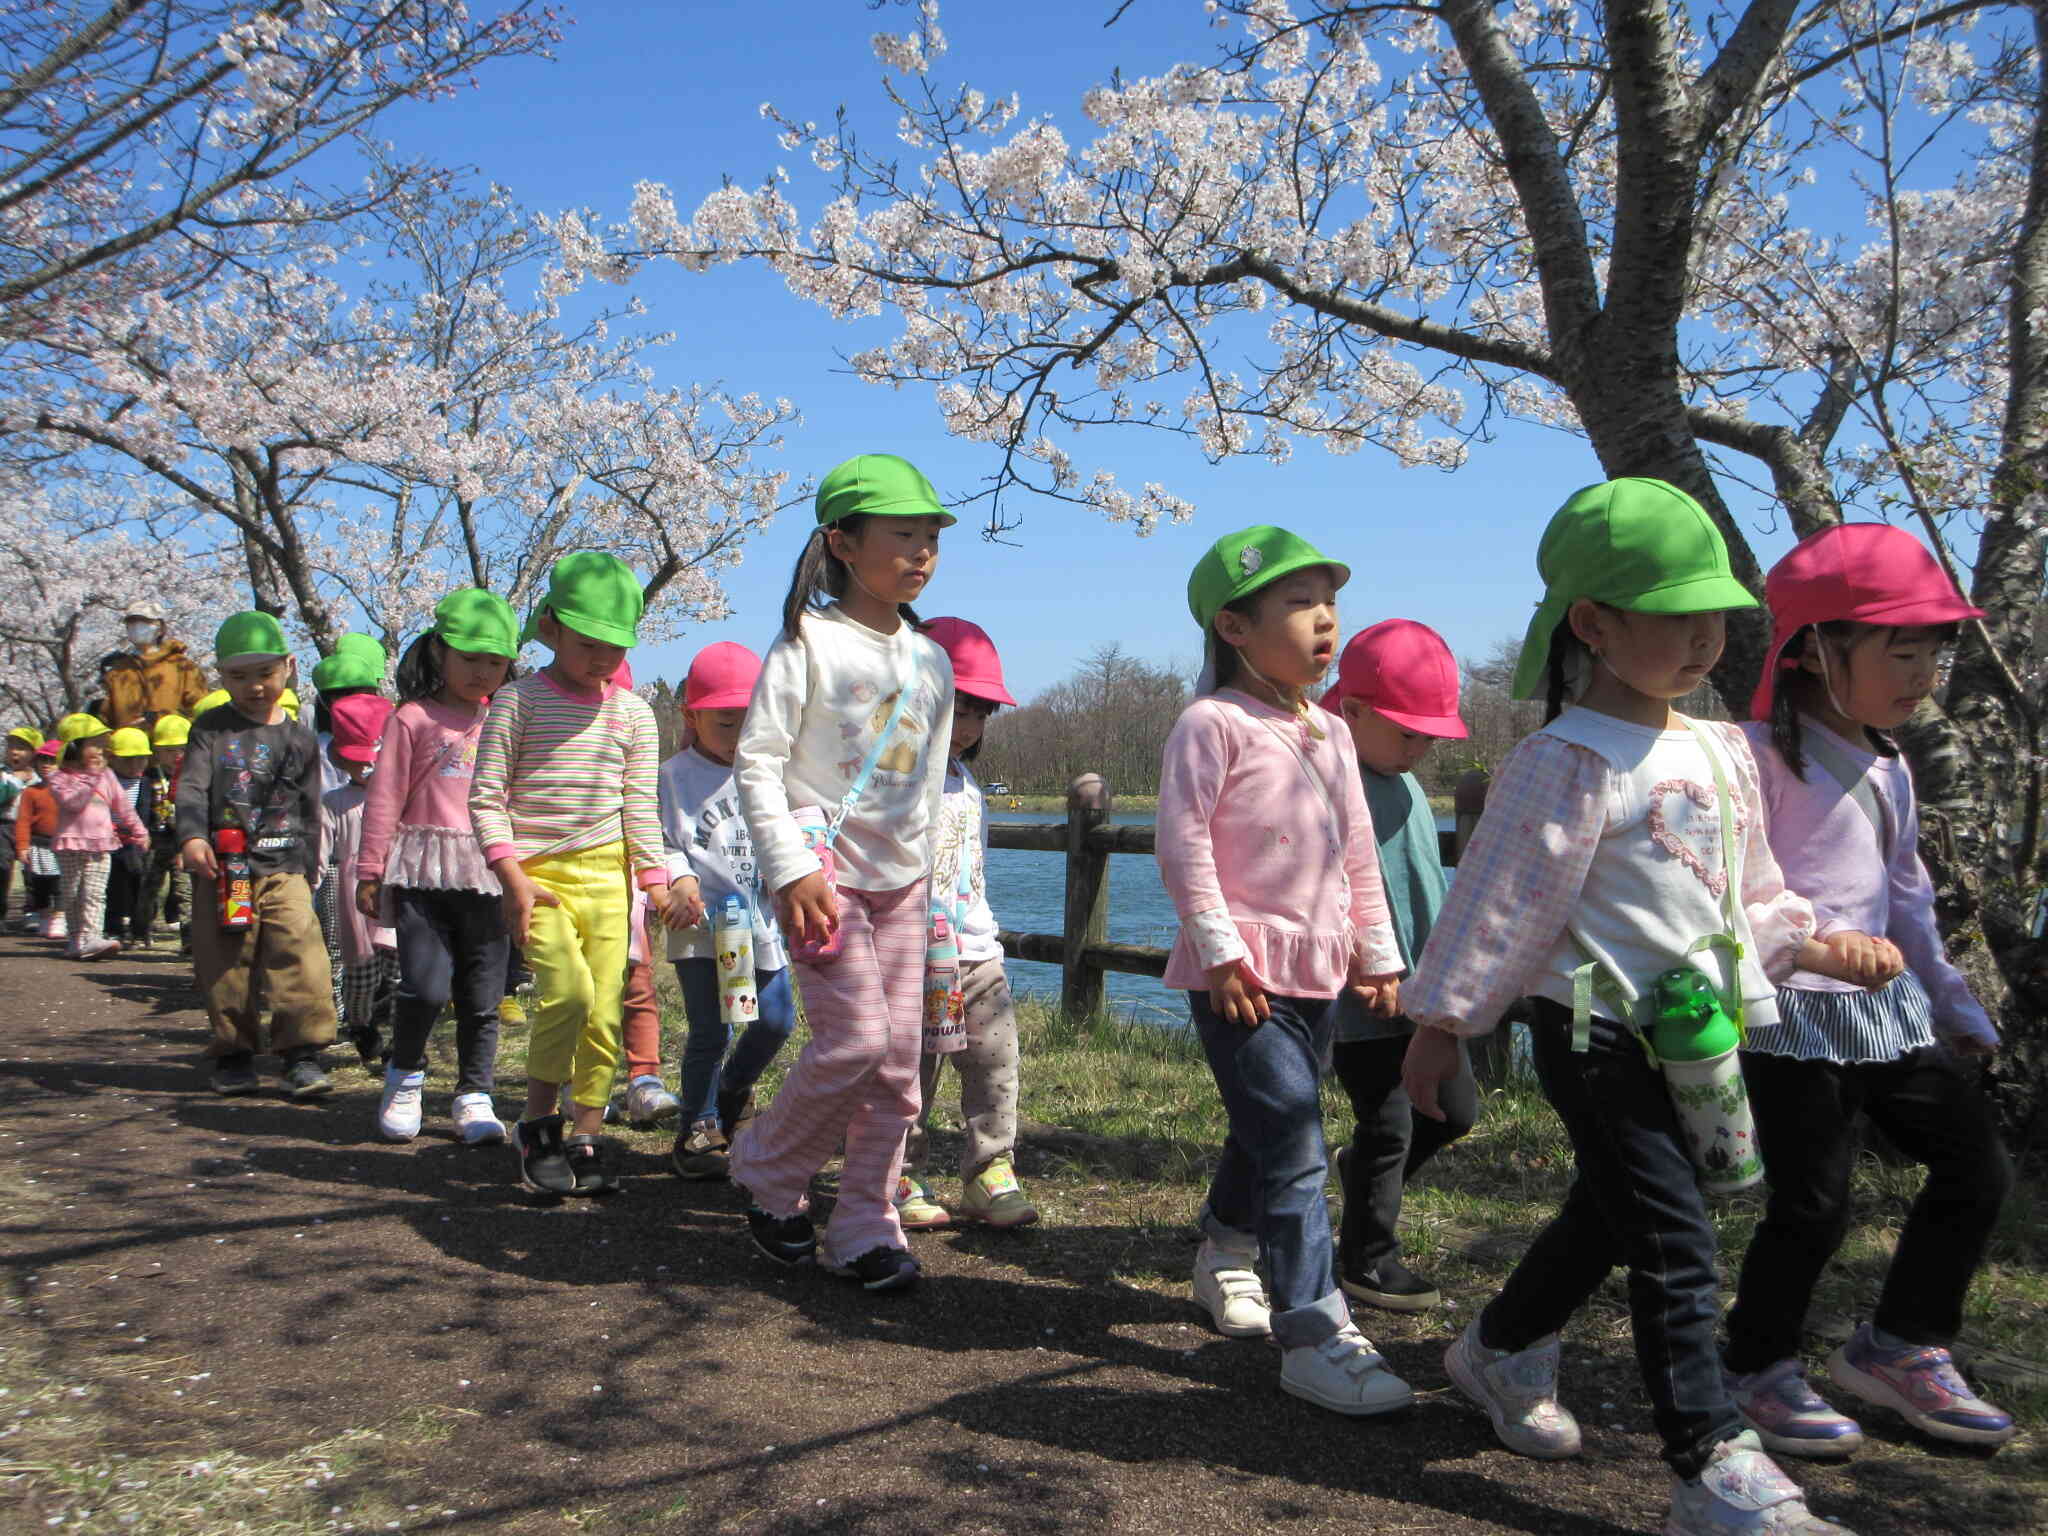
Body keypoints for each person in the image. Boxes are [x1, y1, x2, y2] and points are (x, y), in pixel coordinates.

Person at [1401, 479, 1873, 1536]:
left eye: (1713, 615)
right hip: (1596, 1033)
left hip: (1695, 1035)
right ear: (1593, 626)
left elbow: (1746, 887)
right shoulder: (1562, 760)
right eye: (1673, 617)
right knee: (1673, 1238)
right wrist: (1440, 1027)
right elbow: (1497, 906)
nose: (1703, 640)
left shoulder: (1716, 748)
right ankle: (1711, 1467)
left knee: (1618, 1213)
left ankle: (1499, 1346)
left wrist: (1807, 942)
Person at [1719, 523, 2015, 1456]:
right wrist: (1811, 945)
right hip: (1790, 1015)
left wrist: (1958, 1008)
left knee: (1976, 1167)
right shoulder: (1750, 758)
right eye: (1900, 647)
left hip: (1887, 1014)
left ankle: (1900, 1344)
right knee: (1814, 1203)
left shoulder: (1890, 765)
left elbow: (1908, 898)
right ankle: (1754, 1364)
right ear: (1813, 648)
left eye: (1932, 649)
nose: (1921, 670)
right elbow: (1725, 890)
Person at [1157, 525, 1410, 1418]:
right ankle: (1315, 1329)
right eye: (1300, 605)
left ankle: (1224, 1249)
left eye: (1330, 603)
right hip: (1241, 976)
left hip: (1319, 971)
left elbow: (1355, 853)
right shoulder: (1211, 724)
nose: (1325, 621)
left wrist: (1376, 955)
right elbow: (1182, 844)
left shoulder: (1333, 732)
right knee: (1295, 1144)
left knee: (1272, 1124)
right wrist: (1220, 952)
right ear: (1233, 626)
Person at [728, 453, 955, 1292]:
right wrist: (788, 870)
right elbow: (758, 762)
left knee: (899, 1065)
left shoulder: (932, 659)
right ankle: (766, 1166)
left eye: (931, 536)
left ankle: (865, 1220)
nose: (922, 551)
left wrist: (934, 887)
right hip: (822, 882)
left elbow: (927, 784)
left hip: (903, 886)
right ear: (843, 543)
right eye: (903, 534)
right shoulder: (808, 640)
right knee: (855, 1042)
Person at [470, 556, 670, 1196]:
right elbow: (486, 797)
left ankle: (587, 1131)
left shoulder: (634, 714)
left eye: (615, 646)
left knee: (606, 1009)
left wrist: (655, 878)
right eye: (588, 643)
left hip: (610, 877)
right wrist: (510, 875)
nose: (602, 658)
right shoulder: (517, 700)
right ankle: (537, 1122)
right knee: (568, 995)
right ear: (551, 629)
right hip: (540, 875)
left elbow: (639, 805)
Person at [1312, 620, 1475, 1313]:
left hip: (1423, 985)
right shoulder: (1325, 772)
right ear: (1352, 711)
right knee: (1390, 1123)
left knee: (1453, 1111)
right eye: (1410, 732)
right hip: (1364, 994)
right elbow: (1318, 884)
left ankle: (1358, 1178)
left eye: (1432, 733)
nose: (1424, 746)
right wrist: (1362, 963)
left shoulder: (1395, 773)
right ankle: (1366, 1260)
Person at [359, 592, 520, 1145]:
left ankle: (475, 1093)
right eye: (470, 657)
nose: (482, 673)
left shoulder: (509, 716)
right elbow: (384, 796)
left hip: (490, 870)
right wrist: (369, 869)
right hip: (422, 871)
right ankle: (404, 1075)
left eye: (495, 662)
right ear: (439, 652)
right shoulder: (412, 718)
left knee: (484, 992)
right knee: (424, 988)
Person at [896, 617, 1037, 1229]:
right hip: (914, 951)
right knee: (911, 1068)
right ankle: (900, 1167)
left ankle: (989, 1167)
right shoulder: (894, 778)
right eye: (961, 709)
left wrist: (985, 935)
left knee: (994, 1062)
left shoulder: (968, 785)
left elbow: (971, 868)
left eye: (981, 714)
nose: (970, 727)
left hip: (976, 949)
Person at [177, 611, 338, 1100]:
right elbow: (190, 787)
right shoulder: (210, 729)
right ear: (220, 676)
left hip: (285, 864)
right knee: (226, 959)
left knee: (302, 954)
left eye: (265, 673)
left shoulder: (300, 738)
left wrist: (313, 862)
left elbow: (312, 805)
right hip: (224, 868)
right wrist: (191, 837)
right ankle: (234, 1052)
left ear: (288, 667)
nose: (254, 687)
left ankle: (302, 1053)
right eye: (238, 676)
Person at [657, 642, 793, 1179]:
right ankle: (698, 1124)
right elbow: (660, 840)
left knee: (776, 1019)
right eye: (724, 722)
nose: (737, 735)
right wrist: (678, 880)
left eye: (748, 721)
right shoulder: (675, 775)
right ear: (692, 716)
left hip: (759, 925)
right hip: (703, 924)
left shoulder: (771, 772)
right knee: (711, 1030)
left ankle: (734, 1088)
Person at [317, 693, 402, 1113]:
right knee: (361, 969)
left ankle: (400, 1043)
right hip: (352, 891)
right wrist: (311, 881)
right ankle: (361, 1022)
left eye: (374, 759)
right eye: (357, 760)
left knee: (401, 968)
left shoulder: (404, 798)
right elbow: (321, 851)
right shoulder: (334, 803)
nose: (366, 769)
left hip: (399, 887)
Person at [48, 713, 147, 960]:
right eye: (94, 744)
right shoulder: (60, 777)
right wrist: (91, 776)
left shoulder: (107, 775)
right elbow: (72, 802)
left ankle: (92, 937)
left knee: (94, 893)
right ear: (74, 746)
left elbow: (122, 806)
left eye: (103, 746)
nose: (100, 751)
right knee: (72, 893)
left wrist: (139, 830)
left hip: (101, 843)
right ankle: (75, 939)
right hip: (71, 842)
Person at [96, 601, 208, 729]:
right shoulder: (118, 671)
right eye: (131, 622)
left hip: (171, 745)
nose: (137, 626)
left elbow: (200, 709)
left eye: (145, 621)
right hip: (128, 746)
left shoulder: (182, 666)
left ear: (160, 628)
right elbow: (105, 718)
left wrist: (160, 718)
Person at [134, 715, 189, 949]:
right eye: (168, 750)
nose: (176, 755)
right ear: (157, 750)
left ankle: (190, 938)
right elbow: (141, 808)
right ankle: (140, 931)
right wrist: (141, 832)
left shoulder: (193, 775)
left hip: (184, 839)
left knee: (185, 888)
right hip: (157, 839)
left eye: (181, 749)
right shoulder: (150, 776)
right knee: (151, 887)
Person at [101, 727, 155, 943]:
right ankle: (113, 927)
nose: (134, 766)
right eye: (127, 760)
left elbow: (151, 811)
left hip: (138, 841)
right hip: (109, 840)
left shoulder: (148, 782)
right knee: (113, 885)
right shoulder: (105, 780)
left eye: (140, 760)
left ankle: (140, 928)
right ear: (112, 759)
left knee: (139, 885)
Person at [13, 741, 63, 937]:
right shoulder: (31, 792)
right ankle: (43, 917)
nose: (46, 764)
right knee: (40, 884)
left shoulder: (70, 790)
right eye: (43, 759)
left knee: (60, 884)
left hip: (63, 845)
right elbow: (23, 821)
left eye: (52, 760)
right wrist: (22, 846)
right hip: (38, 844)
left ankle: (59, 918)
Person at [0, 726, 36, 921]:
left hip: (32, 829)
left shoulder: (38, 777)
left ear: (33, 753)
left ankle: (34, 910)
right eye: (11, 746)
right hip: (4, 825)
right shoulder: (3, 774)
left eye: (21, 747)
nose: (14, 751)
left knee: (34, 870)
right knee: (2, 867)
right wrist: (14, 781)